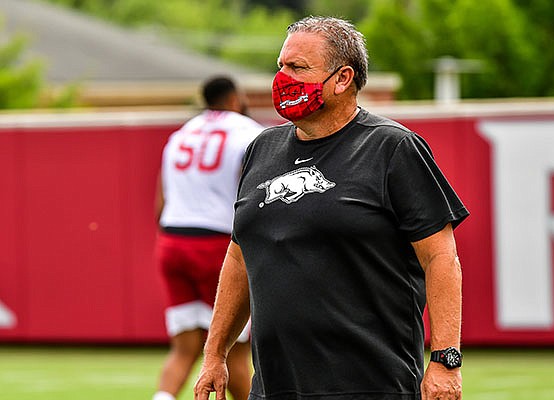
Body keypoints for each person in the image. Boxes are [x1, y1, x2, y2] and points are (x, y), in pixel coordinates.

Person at [194, 16, 469, 400]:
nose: (283, 78)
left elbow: (441, 258)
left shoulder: (393, 149)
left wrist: (445, 360)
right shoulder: (261, 149)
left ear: (343, 78)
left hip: (369, 386)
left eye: (298, 68)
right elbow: (240, 257)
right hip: (273, 388)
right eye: (281, 67)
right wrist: (215, 354)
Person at [152, 76, 263, 400]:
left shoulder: (181, 134)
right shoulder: (248, 131)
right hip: (218, 243)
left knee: (184, 347)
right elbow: (253, 193)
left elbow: (161, 203)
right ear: (233, 99)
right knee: (234, 350)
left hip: (172, 240)